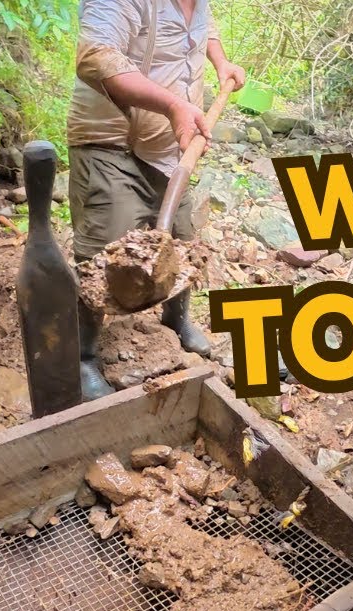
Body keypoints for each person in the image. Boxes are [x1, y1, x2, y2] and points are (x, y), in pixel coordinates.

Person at [67, 0, 245, 399]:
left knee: (180, 238)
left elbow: (205, 29)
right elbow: (96, 57)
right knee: (103, 254)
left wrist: (221, 64)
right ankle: (82, 356)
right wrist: (173, 105)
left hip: (170, 149)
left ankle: (176, 321)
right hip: (109, 145)